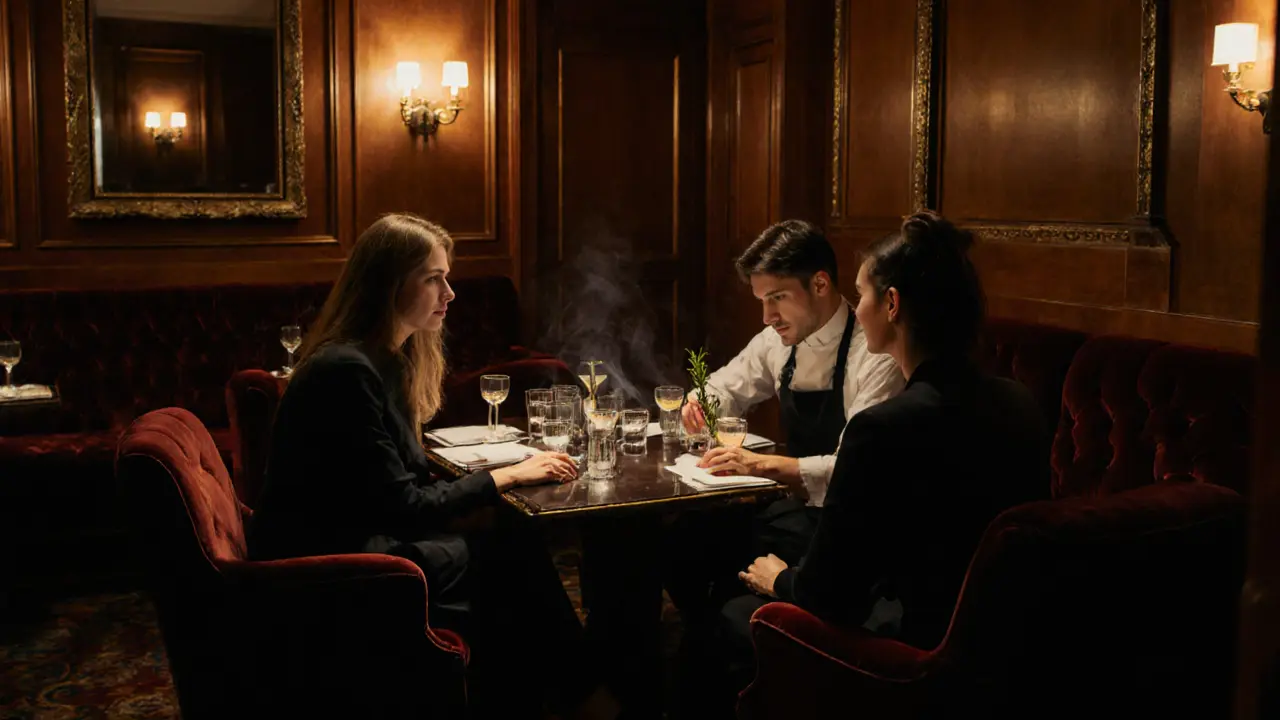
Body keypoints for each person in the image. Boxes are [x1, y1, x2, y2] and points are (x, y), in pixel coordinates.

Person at [248, 213, 617, 720]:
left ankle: (553, 695)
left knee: (510, 540)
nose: (450, 293)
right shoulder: (345, 370)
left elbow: (402, 482)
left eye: (446, 277)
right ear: (388, 284)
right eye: (433, 278)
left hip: (359, 536)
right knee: (508, 555)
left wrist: (493, 482)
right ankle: (582, 696)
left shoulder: (380, 361)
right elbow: (404, 506)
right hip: (334, 562)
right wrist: (509, 475)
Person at [717, 210, 1050, 709]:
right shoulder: (1019, 401)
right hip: (1010, 646)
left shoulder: (881, 428)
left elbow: (829, 596)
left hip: (915, 648)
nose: (857, 308)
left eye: (862, 293)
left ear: (891, 304)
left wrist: (777, 578)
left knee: (732, 617)